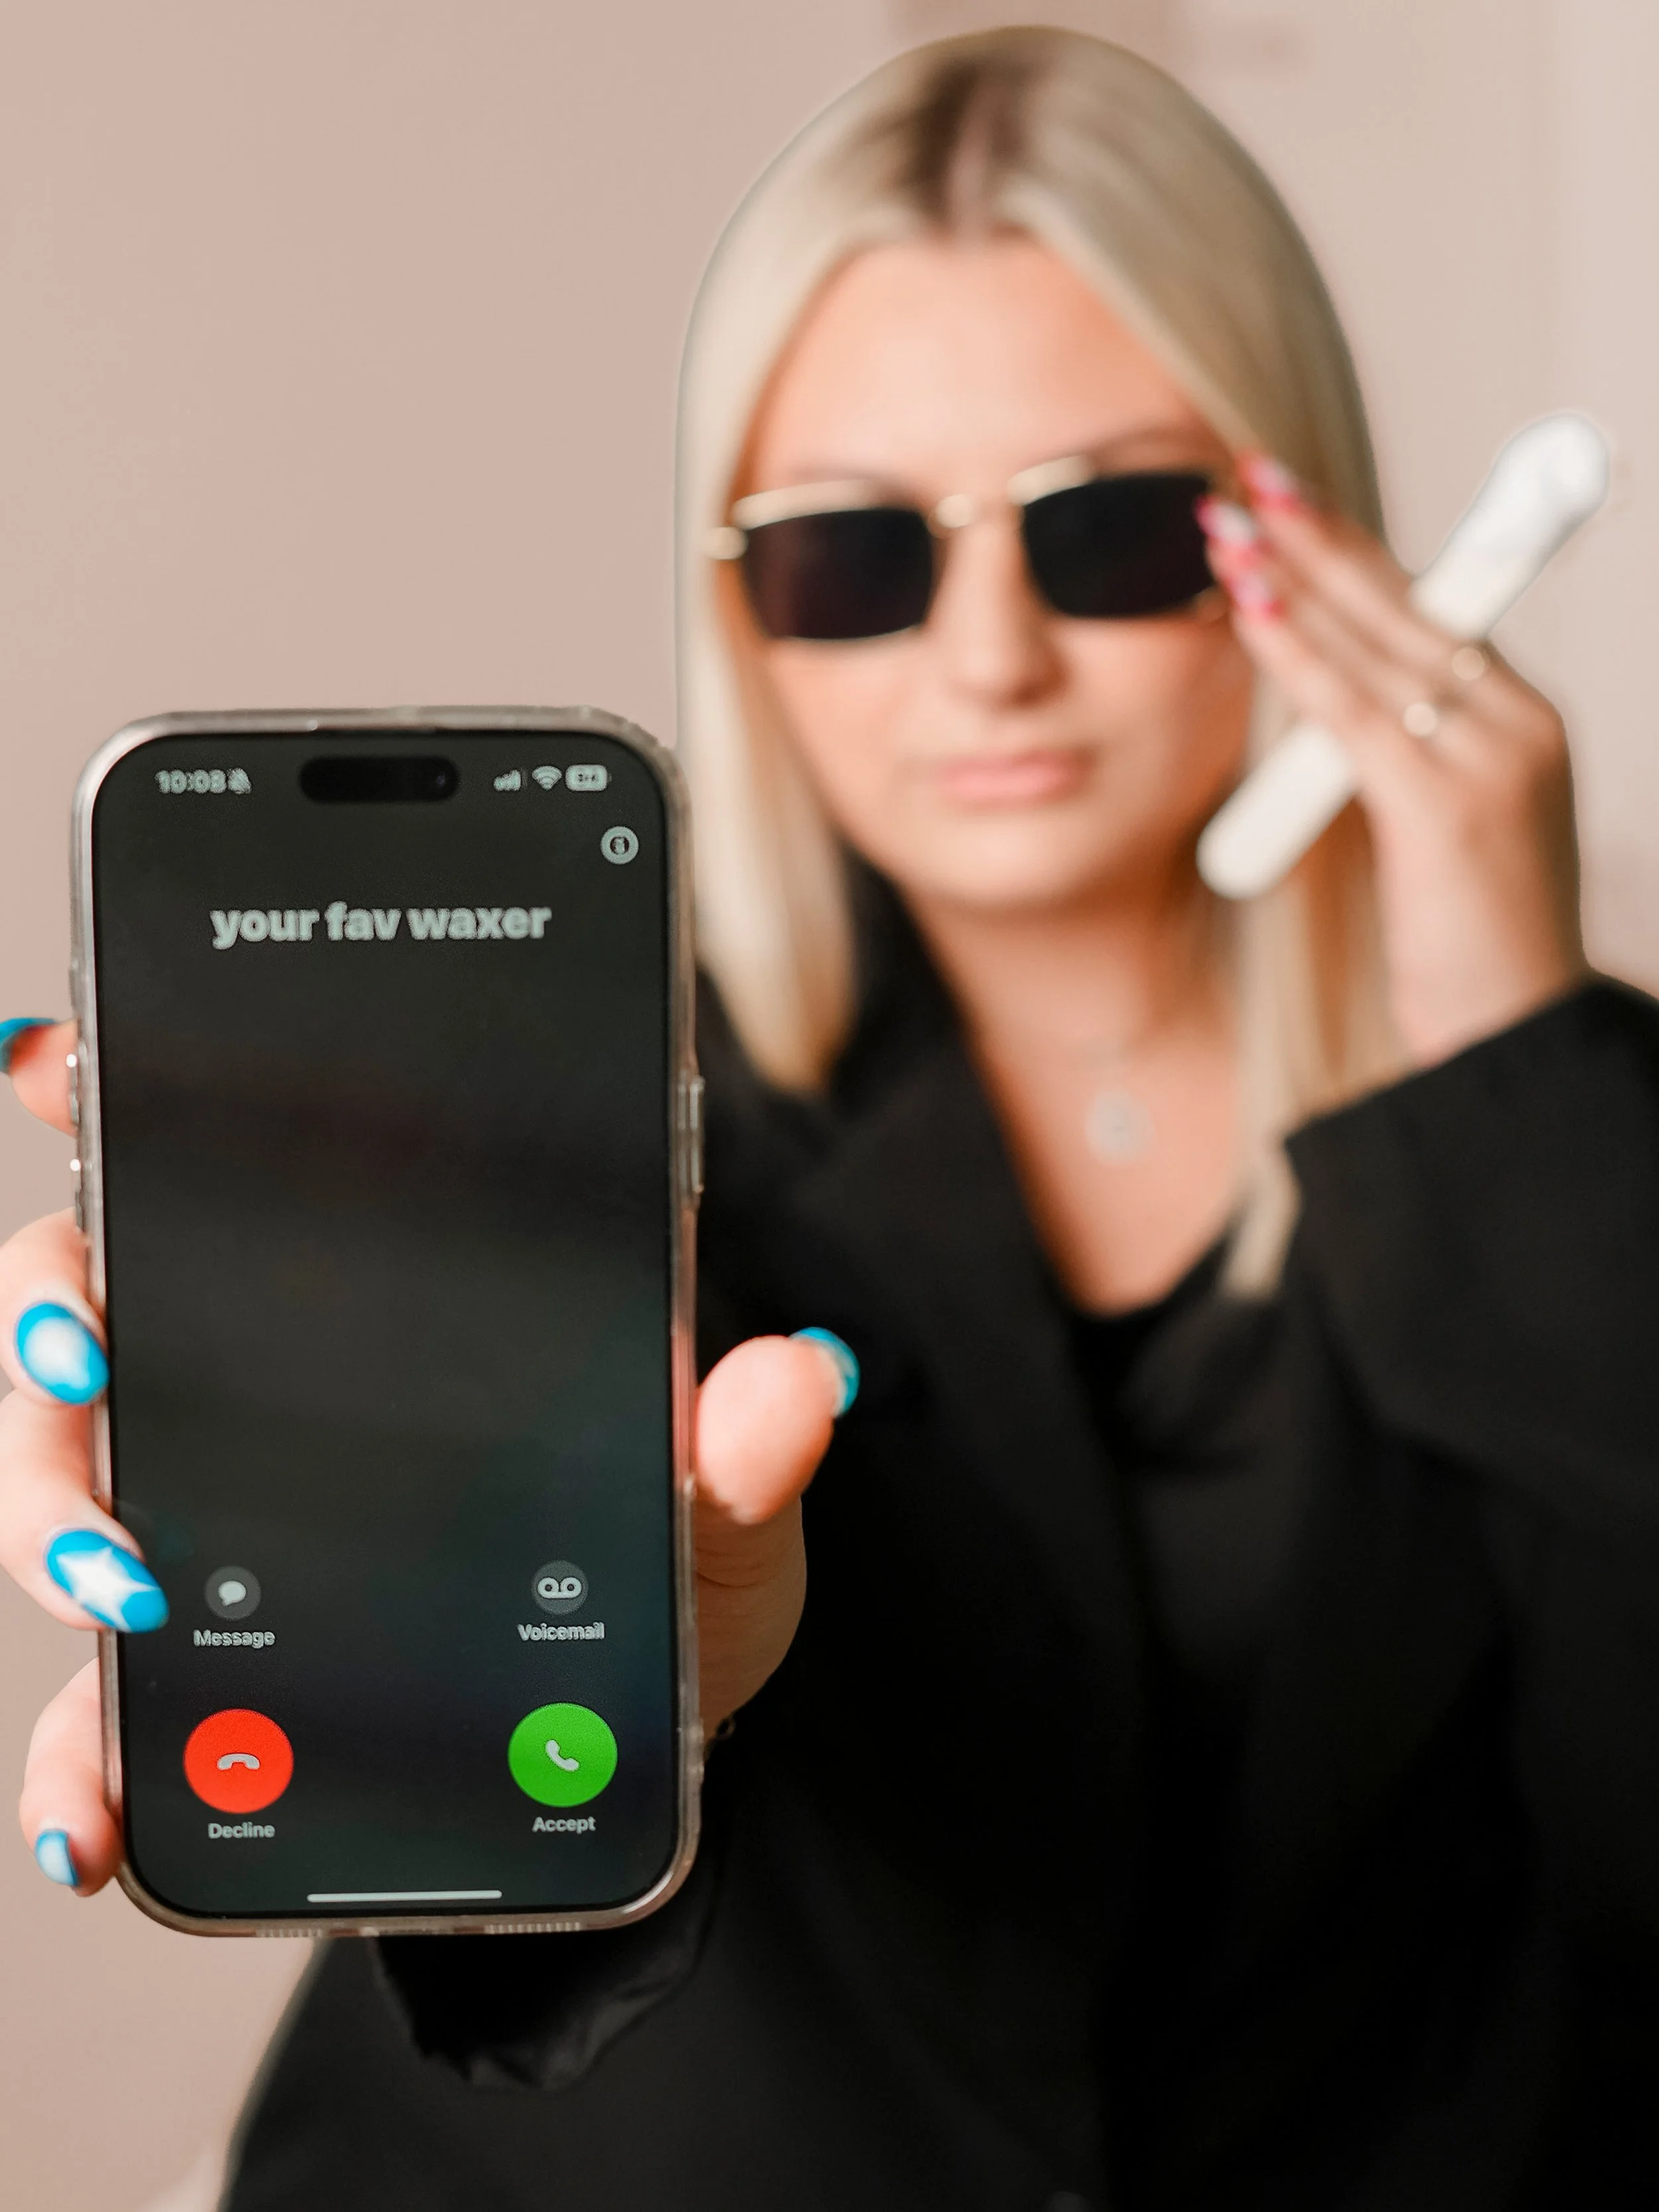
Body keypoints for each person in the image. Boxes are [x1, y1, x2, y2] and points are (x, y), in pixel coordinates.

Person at [4, 27, 1658, 2209]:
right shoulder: (562, 1113)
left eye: (1105, 528)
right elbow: (503, 1950)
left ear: (1298, 530)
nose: (987, 659)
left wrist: (1516, 1065)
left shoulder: (1557, 1137)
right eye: (852, 556)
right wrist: (507, 1642)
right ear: (740, 611)